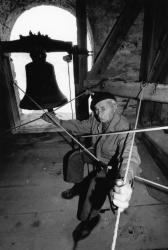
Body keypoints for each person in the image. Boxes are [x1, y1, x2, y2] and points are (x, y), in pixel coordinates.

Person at [42, 92, 141, 238]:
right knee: (75, 157)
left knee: (95, 184)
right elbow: (79, 126)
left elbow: (130, 154)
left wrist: (126, 178)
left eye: (102, 108)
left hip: (112, 164)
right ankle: (78, 186)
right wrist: (57, 121)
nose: (98, 113)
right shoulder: (96, 120)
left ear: (114, 107)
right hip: (98, 153)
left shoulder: (125, 127)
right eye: (96, 109)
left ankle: (90, 218)